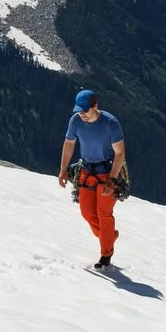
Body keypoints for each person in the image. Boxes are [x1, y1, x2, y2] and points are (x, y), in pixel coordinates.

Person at [57, 87, 127, 268]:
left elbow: (120, 154)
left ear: (95, 106)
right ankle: (109, 236)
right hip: (87, 171)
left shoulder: (110, 123)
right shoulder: (75, 121)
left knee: (104, 213)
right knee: (87, 212)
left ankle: (106, 255)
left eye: (85, 110)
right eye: (78, 110)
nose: (81, 114)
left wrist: (112, 179)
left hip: (108, 172)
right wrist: (63, 169)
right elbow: (69, 143)